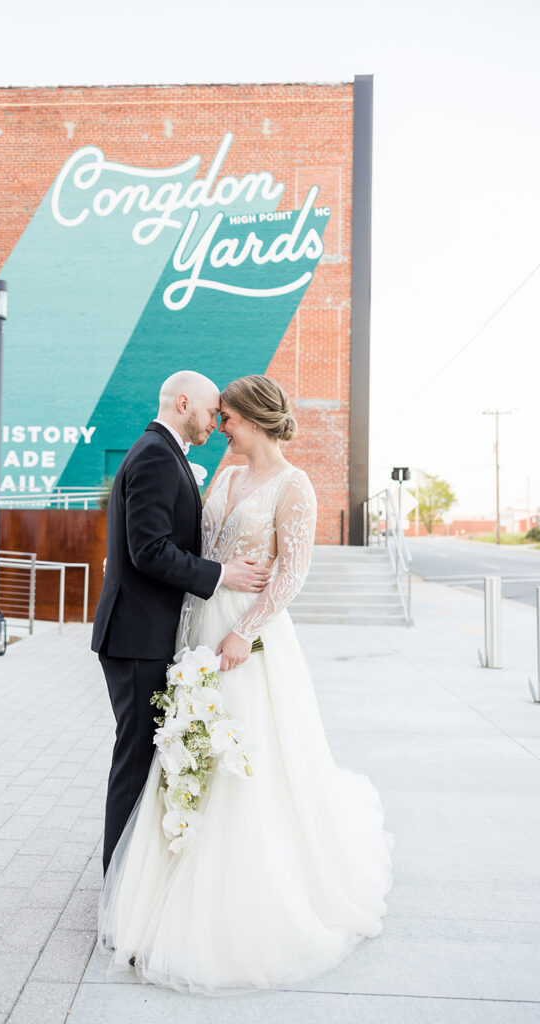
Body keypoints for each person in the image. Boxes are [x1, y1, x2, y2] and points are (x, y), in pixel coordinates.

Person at [98, 373, 395, 994]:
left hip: (246, 639)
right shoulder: (223, 478)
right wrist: (215, 587)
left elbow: (291, 575)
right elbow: (190, 549)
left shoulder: (296, 486)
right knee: (179, 754)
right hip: (196, 627)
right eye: (215, 415)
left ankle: (232, 891)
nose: (218, 427)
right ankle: (151, 884)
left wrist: (245, 633)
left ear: (253, 421)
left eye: (227, 418)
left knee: (244, 764)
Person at [92, 370, 272, 875]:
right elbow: (148, 550)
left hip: (144, 631)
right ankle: (118, 889)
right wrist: (222, 574)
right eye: (213, 412)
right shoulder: (154, 454)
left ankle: (132, 881)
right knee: (134, 765)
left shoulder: (162, 453)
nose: (216, 423)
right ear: (185, 402)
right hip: (135, 636)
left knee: (145, 760)